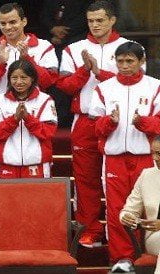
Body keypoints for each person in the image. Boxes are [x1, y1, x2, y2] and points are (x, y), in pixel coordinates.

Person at [55, 0, 142, 249]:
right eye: (91, 21)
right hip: (84, 121)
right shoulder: (74, 49)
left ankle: (127, 231)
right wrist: (85, 69)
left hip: (121, 122)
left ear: (112, 20)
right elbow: (65, 86)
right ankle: (90, 230)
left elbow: (136, 78)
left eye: (100, 20)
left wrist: (98, 72)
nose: (95, 25)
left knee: (123, 179)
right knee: (86, 179)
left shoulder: (130, 47)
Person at [88, 41, 160, 272]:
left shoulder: (155, 87)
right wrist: (110, 122)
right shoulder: (104, 89)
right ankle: (122, 258)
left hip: (146, 157)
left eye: (130, 61)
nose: (125, 66)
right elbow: (95, 126)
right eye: (120, 61)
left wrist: (143, 123)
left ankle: (147, 255)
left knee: (149, 207)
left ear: (142, 62)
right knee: (117, 208)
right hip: (115, 157)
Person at [0, 2, 58, 102]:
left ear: (24, 21)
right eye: (3, 23)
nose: (7, 27)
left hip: (34, 111)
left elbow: (50, 82)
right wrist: (0, 64)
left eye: (12, 22)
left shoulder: (44, 46)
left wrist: (28, 60)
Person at [0, 58, 57, 178]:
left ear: (33, 79)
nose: (19, 82)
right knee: (6, 197)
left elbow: (48, 132)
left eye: (24, 77)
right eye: (14, 78)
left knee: (37, 197)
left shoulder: (45, 100)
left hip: (37, 162)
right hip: (6, 163)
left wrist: (28, 118)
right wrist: (14, 119)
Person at [120, 135, 160, 274]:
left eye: (159, 153)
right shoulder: (146, 176)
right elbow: (129, 209)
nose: (155, 158)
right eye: (153, 153)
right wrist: (126, 216)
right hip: (155, 238)